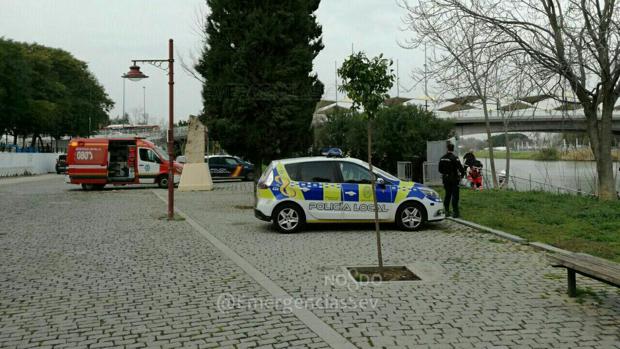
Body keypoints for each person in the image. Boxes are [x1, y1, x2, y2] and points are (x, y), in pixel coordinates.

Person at [439, 143, 465, 218]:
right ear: (453, 149)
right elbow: (461, 168)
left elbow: (439, 170)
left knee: (447, 195)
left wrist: (445, 173)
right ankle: (455, 212)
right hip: (453, 179)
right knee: (455, 196)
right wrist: (462, 176)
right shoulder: (454, 158)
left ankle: (446, 211)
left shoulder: (442, 158)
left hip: (445, 179)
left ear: (447, 149)